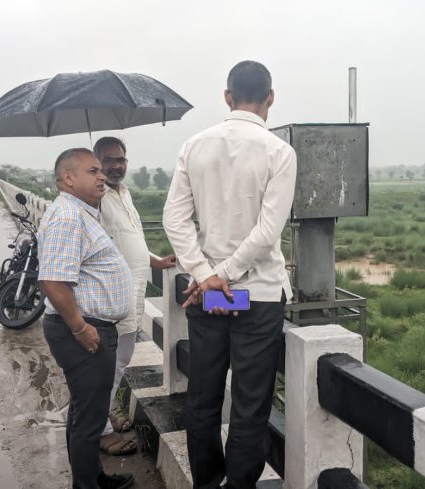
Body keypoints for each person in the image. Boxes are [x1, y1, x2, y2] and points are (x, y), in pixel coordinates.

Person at [163, 61, 298, 489]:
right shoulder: (279, 151)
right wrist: (226, 273)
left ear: (227, 97)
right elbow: (268, 230)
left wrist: (206, 275)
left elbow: (175, 220)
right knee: (250, 404)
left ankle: (206, 482)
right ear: (270, 97)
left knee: (202, 397)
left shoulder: (193, 147)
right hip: (256, 296)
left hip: (208, 296)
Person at [37, 148, 135, 489]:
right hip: (82, 329)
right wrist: (80, 328)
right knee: (89, 419)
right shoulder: (67, 216)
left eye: (101, 171)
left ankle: (92, 477)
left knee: (85, 413)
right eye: (92, 171)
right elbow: (52, 280)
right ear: (68, 178)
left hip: (92, 325)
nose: (102, 176)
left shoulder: (82, 212)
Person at [93, 136, 176, 455]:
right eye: (108, 159)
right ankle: (99, 432)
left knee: (118, 361)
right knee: (107, 366)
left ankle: (103, 414)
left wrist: (156, 261)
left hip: (131, 295)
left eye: (121, 159)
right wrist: (94, 191)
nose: (116, 165)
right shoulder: (95, 196)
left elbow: (130, 238)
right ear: (96, 162)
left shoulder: (122, 193)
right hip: (108, 299)